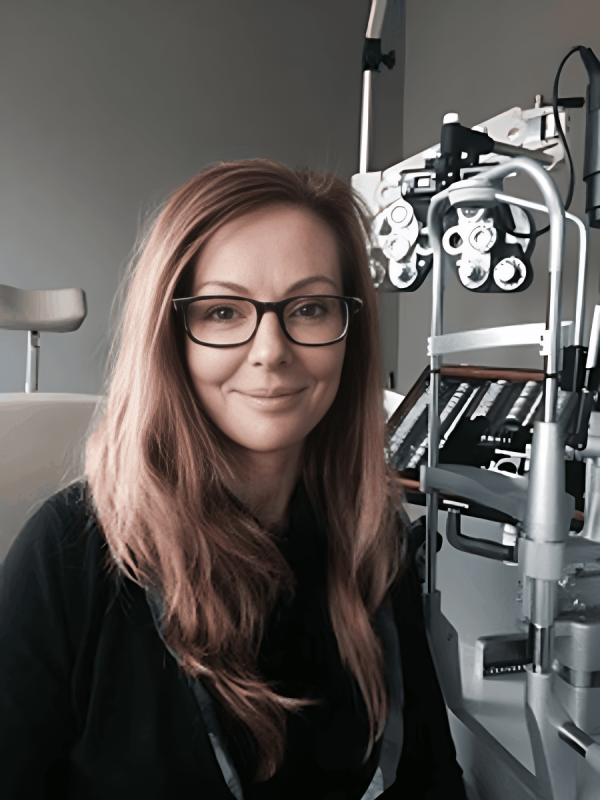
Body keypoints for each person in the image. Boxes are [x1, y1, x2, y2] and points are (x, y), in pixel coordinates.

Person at [0, 159, 467, 799]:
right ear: (172, 336)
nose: (271, 349)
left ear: (348, 336)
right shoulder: (70, 555)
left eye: (308, 308)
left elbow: (428, 781)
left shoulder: (371, 537)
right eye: (223, 312)